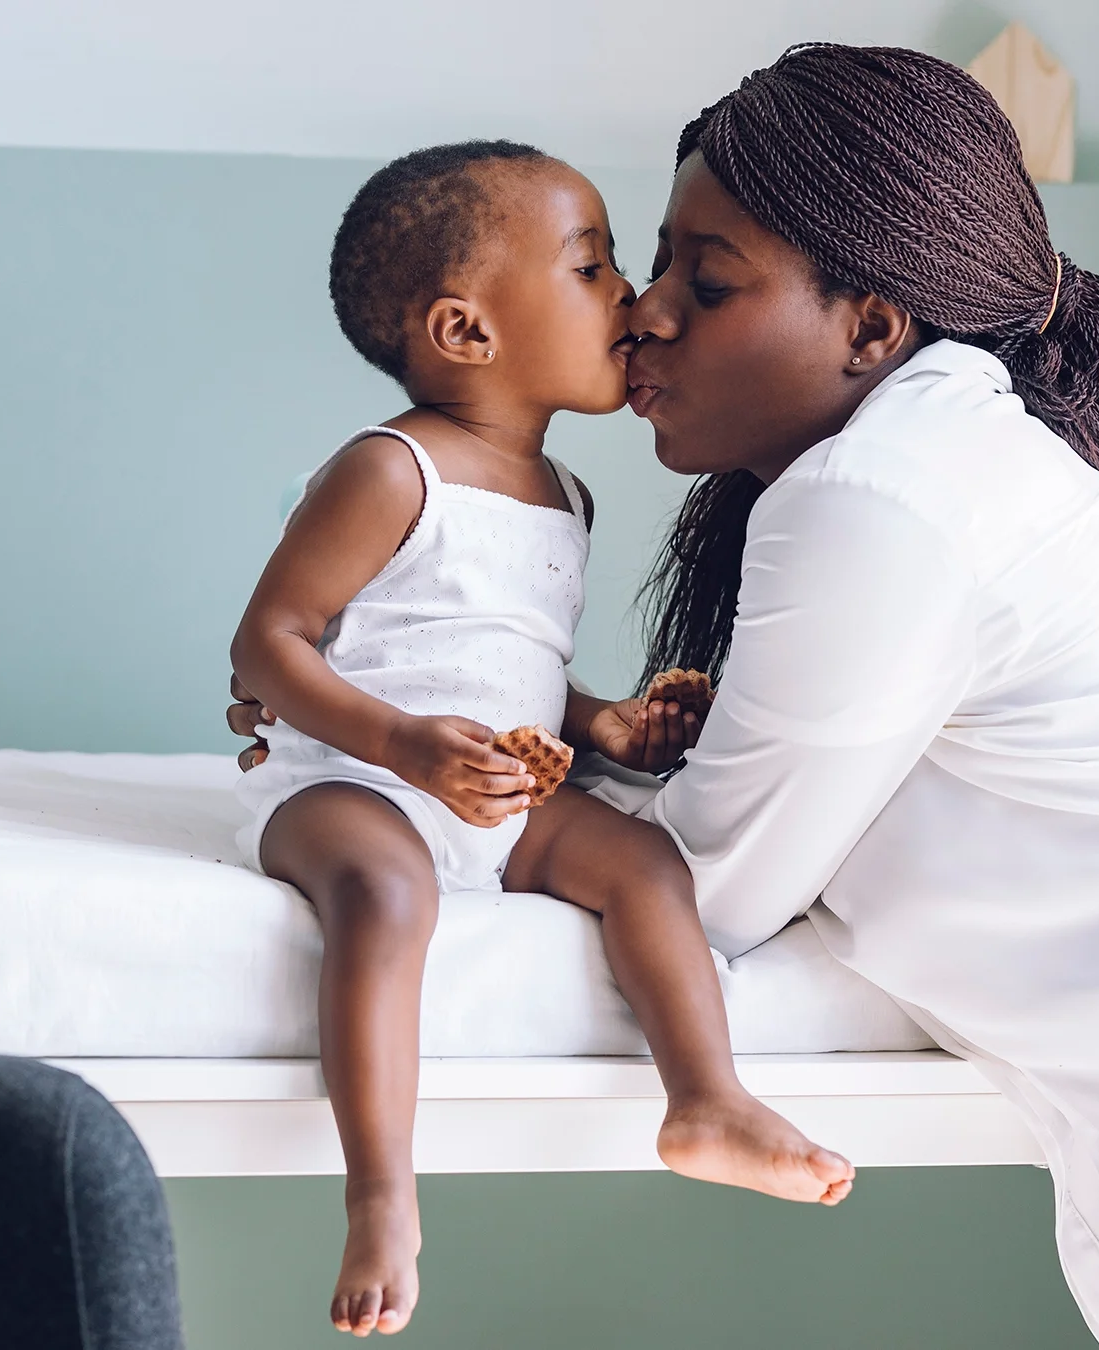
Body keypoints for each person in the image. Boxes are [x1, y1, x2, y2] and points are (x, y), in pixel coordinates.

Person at [235, 46, 1099, 1350]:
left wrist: (446, 774)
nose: (643, 311)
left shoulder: (881, 497)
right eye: (649, 263)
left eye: (703, 281)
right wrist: (373, 713)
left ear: (872, 327)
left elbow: (712, 881)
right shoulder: (913, 455)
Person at [229, 140, 850, 1340]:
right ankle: (381, 1195)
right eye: (594, 265)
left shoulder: (566, 496)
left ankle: (708, 1099)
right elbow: (272, 646)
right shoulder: (389, 469)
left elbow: (503, 661)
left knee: (642, 863)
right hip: (355, 776)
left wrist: (603, 722)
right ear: (465, 331)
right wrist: (405, 748)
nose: (631, 296)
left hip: (492, 787)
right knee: (386, 890)